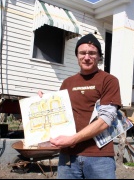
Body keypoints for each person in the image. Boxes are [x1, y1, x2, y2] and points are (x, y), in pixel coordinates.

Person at [38, 33, 121, 179]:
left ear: (99, 57)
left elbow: (105, 120)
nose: (87, 57)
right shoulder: (67, 83)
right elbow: (60, 114)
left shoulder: (109, 80)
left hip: (99, 156)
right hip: (69, 157)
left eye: (92, 53)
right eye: (82, 53)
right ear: (77, 56)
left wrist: (73, 139)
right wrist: (44, 103)